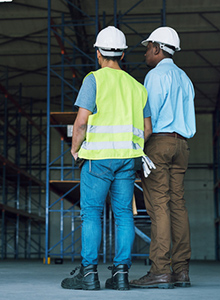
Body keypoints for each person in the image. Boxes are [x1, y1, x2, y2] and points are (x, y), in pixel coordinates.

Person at [61, 26, 152, 291]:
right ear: (122, 55)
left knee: (91, 214)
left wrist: (75, 149)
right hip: (127, 160)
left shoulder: (94, 80)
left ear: (99, 54)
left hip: (98, 159)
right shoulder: (138, 87)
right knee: (124, 214)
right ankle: (121, 274)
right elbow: (147, 130)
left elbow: (80, 123)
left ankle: (89, 275)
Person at [130, 27, 196, 289]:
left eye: (148, 47)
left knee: (159, 206)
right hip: (182, 145)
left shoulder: (155, 76)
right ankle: (181, 271)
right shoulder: (185, 78)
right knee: (178, 206)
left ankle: (159, 270)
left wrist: (137, 150)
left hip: (159, 142)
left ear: (157, 48)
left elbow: (149, 120)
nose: (146, 52)